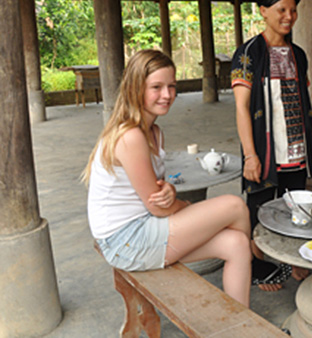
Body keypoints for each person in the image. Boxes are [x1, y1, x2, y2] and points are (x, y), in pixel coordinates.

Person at [84, 50, 251, 307]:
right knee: (235, 206)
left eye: (171, 86)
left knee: (237, 243)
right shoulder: (130, 136)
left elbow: (158, 193)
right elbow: (157, 207)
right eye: (156, 87)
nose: (167, 95)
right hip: (125, 241)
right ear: (135, 88)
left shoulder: (154, 132)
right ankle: (258, 266)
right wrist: (185, 207)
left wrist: (171, 191)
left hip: (143, 227)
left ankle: (241, 328)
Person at [231, 0, 312, 291]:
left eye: (293, 10)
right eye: (281, 10)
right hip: (265, 147)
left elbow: (299, 98)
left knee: (294, 204)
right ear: (263, 12)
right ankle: (257, 264)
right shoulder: (248, 54)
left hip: (294, 144)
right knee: (258, 207)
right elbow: (242, 108)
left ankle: (293, 258)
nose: (289, 16)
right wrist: (250, 154)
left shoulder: (298, 54)